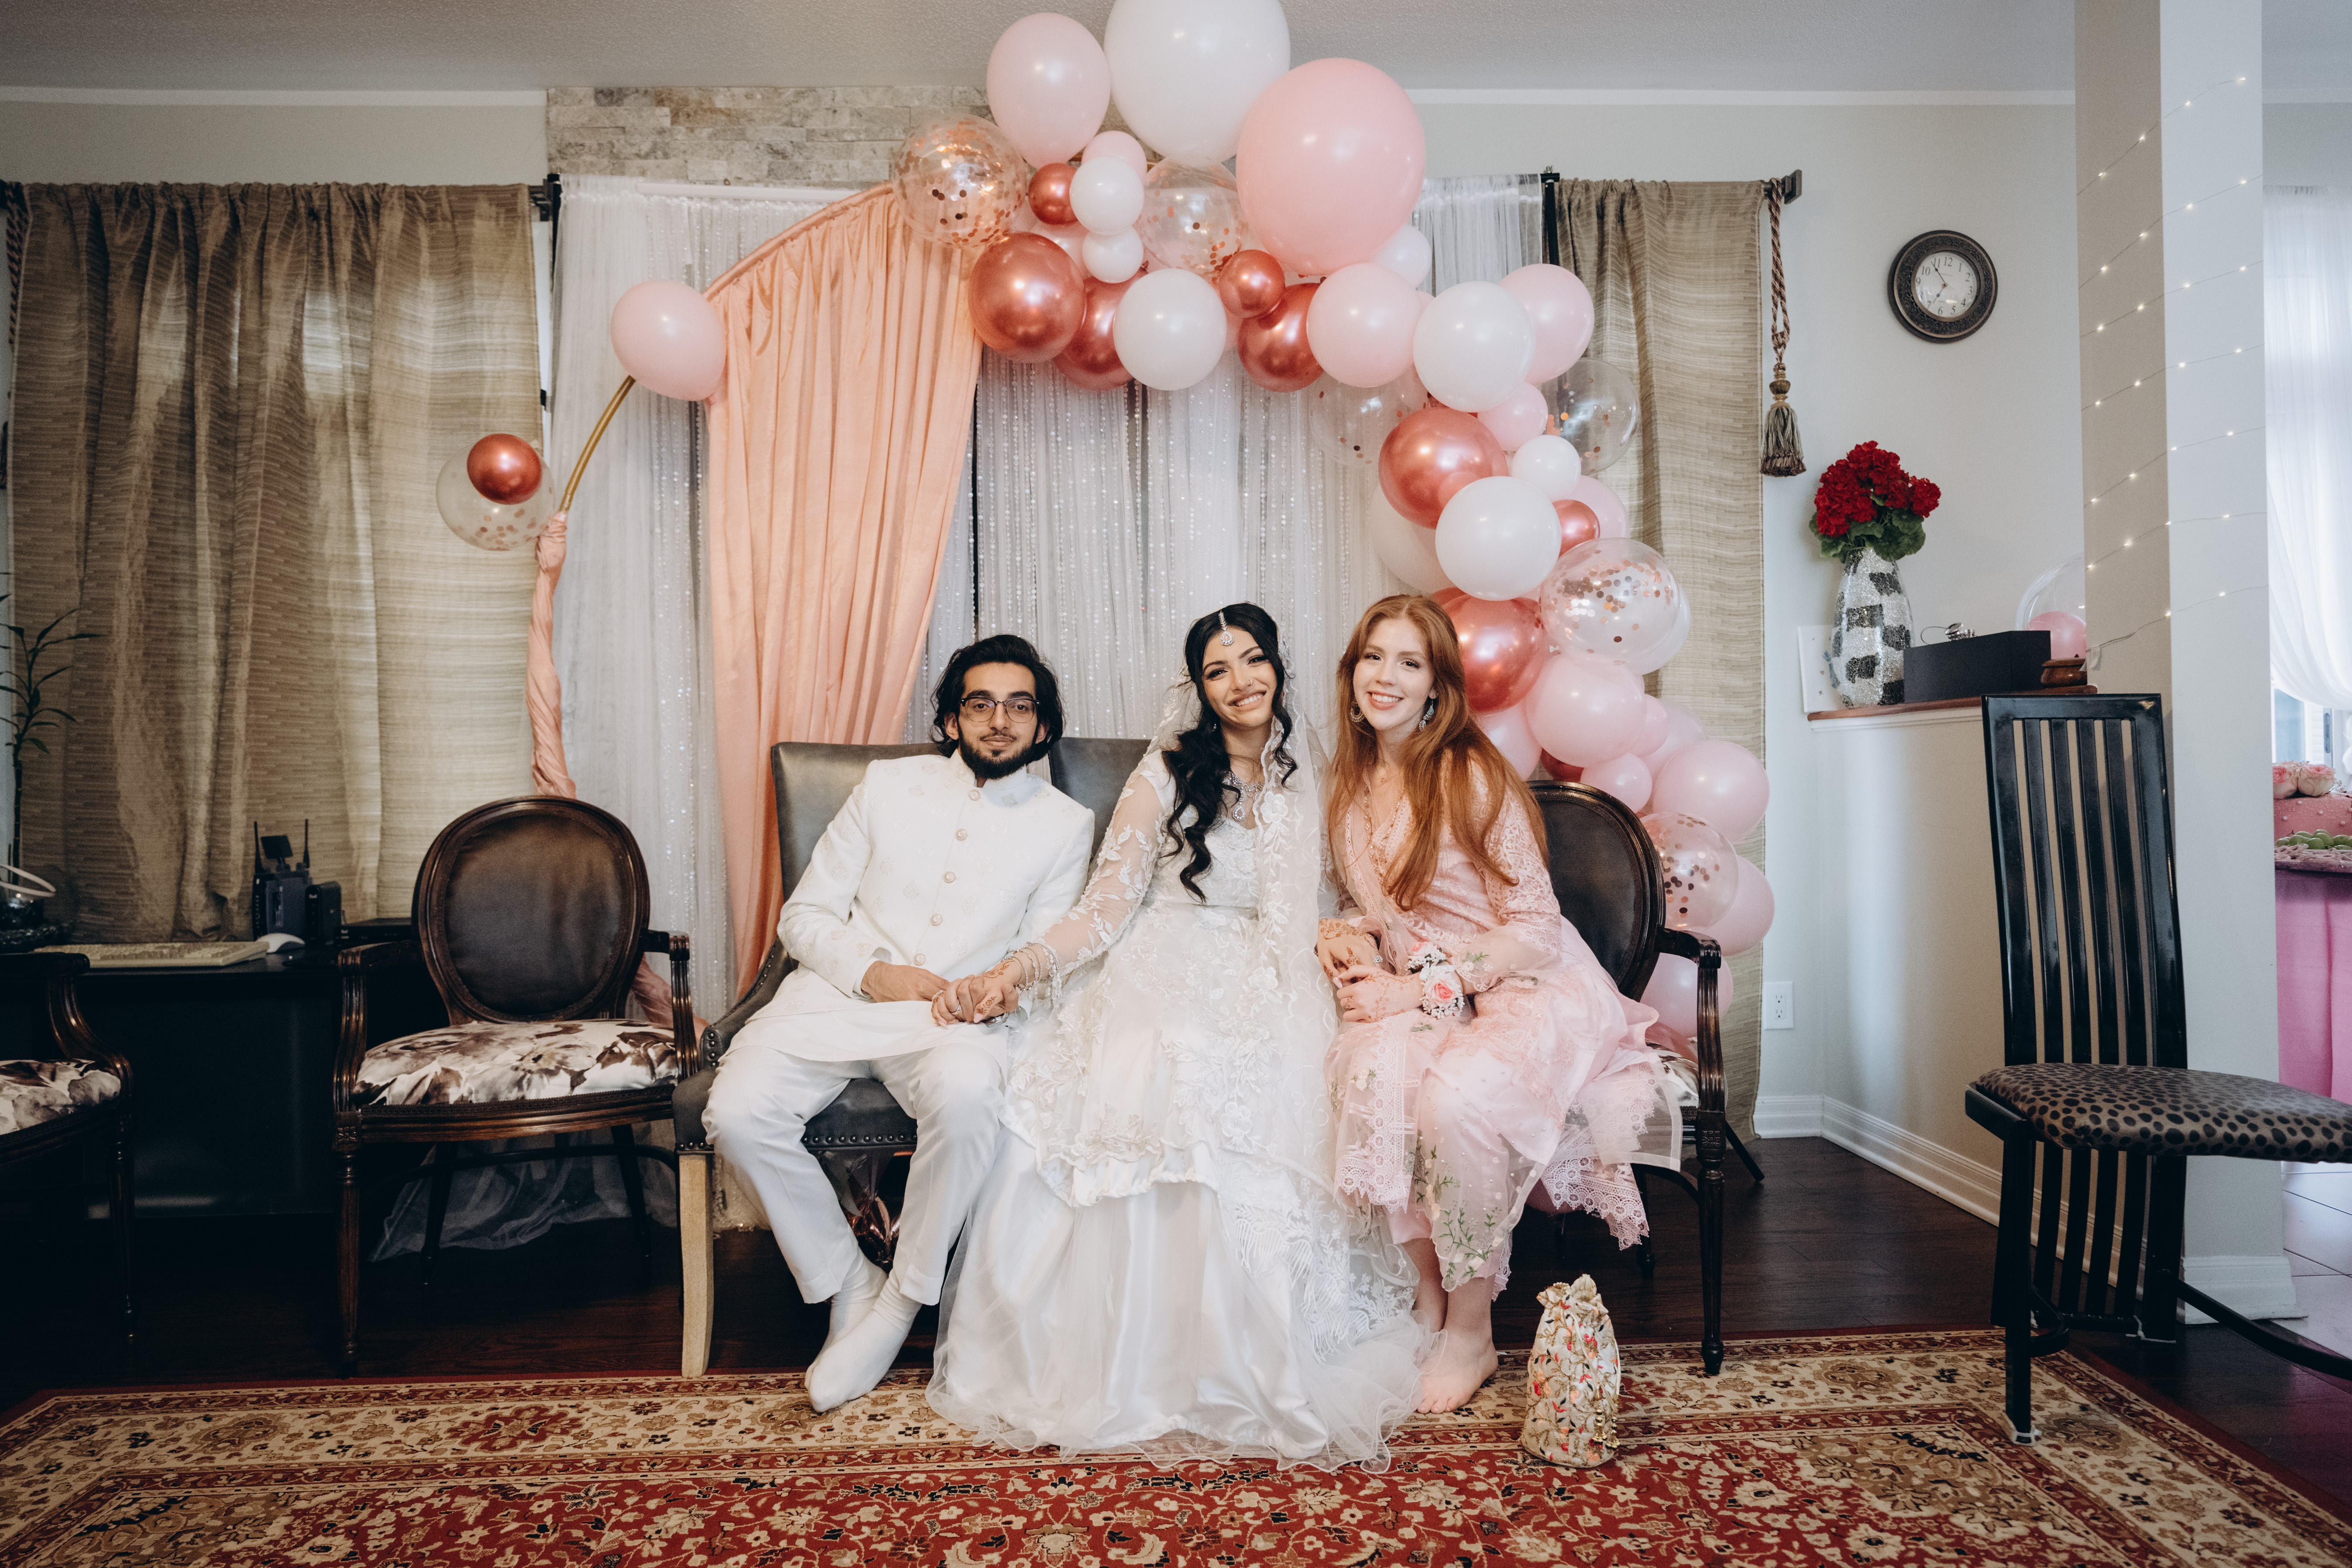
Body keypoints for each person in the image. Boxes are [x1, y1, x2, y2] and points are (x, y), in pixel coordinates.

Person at [925, 604, 1421, 1469]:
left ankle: (1254, 1355)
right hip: (1164, 953)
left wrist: (1341, 931)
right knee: (1170, 1056)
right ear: (1199, 687)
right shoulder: (1166, 770)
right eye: (1218, 670)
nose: (1241, 682)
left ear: (1278, 667)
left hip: (1277, 965)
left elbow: (1337, 890)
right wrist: (1024, 967)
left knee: (1269, 1066)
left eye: (1253, 660)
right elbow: (1106, 906)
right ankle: (1136, 1360)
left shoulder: (1319, 770)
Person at [703, 634, 1096, 1413]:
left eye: (1019, 707)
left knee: (968, 1097)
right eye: (980, 704)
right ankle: (845, 1278)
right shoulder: (885, 786)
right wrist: (873, 973)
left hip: (952, 1021)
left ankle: (900, 1302)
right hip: (835, 1000)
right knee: (737, 1114)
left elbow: (1042, 949)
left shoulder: (1065, 823)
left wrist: (995, 990)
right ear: (951, 720)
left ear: (1043, 726)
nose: (999, 721)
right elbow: (804, 917)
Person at [1321, 594, 1663, 1413]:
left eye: (1409, 663)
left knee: (1455, 1102)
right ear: (1352, 672)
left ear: (1438, 686)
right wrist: (1346, 934)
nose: (1386, 677)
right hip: (1434, 993)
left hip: (1530, 985)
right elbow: (1377, 900)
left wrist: (1416, 987)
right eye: (1373, 657)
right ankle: (1428, 1300)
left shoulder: (1467, 775)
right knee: (1372, 1074)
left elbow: (1535, 928)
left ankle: (1471, 1331)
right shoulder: (1350, 779)